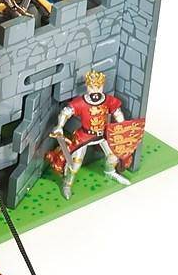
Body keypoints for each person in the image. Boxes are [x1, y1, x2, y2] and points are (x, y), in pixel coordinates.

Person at [47, 69, 127, 199]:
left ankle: (110, 172)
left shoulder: (108, 100)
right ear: (87, 86)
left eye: (98, 87)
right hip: (84, 136)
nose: (95, 90)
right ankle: (67, 184)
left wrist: (122, 126)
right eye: (92, 87)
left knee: (113, 156)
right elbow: (66, 112)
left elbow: (117, 113)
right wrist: (60, 126)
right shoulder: (81, 102)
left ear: (102, 86)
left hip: (102, 134)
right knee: (75, 164)